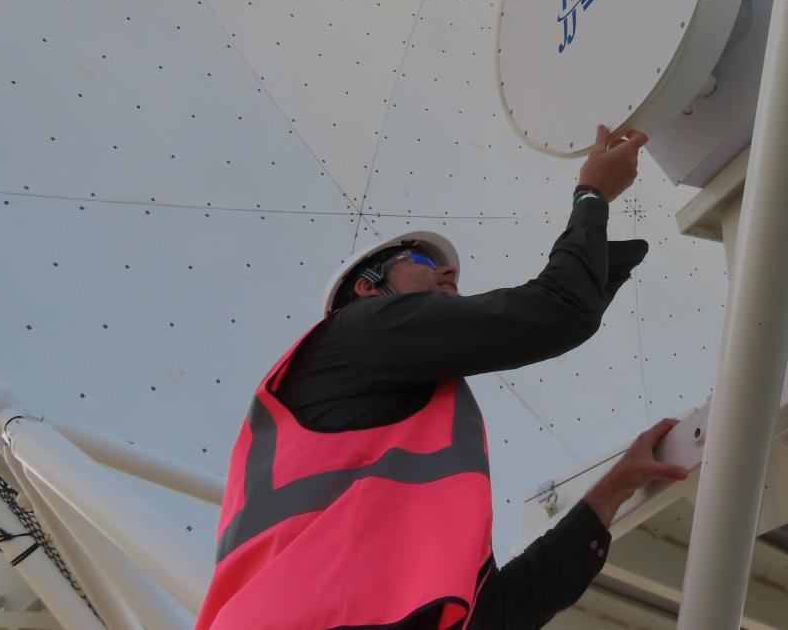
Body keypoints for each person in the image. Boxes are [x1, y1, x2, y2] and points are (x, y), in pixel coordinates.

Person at [196, 125, 689, 630]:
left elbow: (500, 609)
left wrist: (616, 486)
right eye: (429, 261)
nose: (452, 274)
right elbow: (556, 312)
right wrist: (592, 196)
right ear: (368, 288)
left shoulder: (418, 513)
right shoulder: (355, 333)